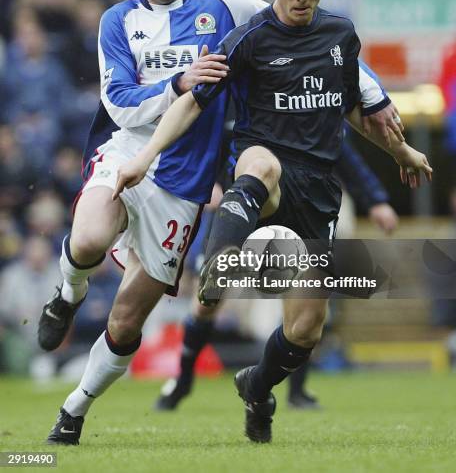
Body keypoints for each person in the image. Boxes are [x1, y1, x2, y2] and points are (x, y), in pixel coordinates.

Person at [39, 0, 402, 445]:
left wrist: (375, 97)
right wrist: (177, 82)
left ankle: (74, 409)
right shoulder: (118, 21)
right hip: (131, 153)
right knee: (91, 238)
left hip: (185, 186)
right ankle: (67, 294)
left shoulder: (224, 5)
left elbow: (309, 37)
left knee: (125, 320)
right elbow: (118, 102)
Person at [154, 133, 398, 412]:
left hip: (295, 202)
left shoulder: (308, 100)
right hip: (238, 204)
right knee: (206, 302)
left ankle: (297, 390)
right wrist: (208, 184)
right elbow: (206, 137)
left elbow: (340, 145)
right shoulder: (232, 93)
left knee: (301, 301)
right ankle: (183, 380)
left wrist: (375, 199)